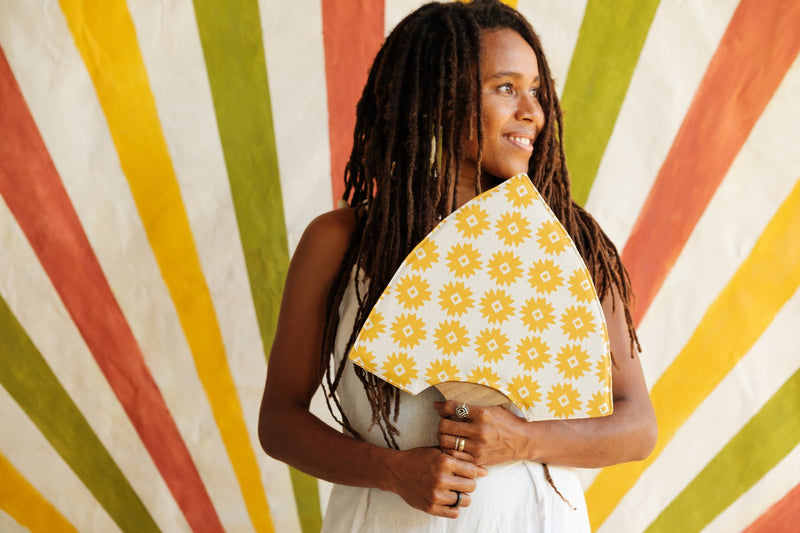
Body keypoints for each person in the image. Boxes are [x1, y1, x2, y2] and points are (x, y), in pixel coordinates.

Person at [259, 1, 657, 531]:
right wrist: (392, 470)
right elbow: (279, 422)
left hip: (530, 518)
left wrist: (523, 439)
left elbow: (637, 426)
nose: (533, 112)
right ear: (434, 100)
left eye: (536, 90)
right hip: (383, 518)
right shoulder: (340, 243)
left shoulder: (569, 244)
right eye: (505, 87)